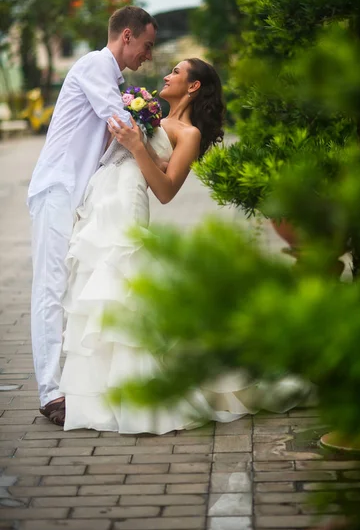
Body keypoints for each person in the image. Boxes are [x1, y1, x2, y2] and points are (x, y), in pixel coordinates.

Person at [59, 58, 313, 433]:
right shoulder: (153, 118)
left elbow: (165, 191)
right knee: (100, 293)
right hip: (102, 200)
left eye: (176, 71)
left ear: (193, 86)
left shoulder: (188, 133)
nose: (166, 75)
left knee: (122, 291)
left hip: (129, 206)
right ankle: (103, 395)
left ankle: (142, 395)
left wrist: (136, 146)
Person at [27, 6, 158, 426]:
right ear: (126, 36)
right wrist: (165, 136)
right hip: (57, 189)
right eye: (147, 45)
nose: (148, 56)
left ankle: (70, 382)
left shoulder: (112, 76)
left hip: (78, 193)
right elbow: (119, 122)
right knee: (49, 288)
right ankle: (50, 393)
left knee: (69, 288)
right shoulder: (94, 65)